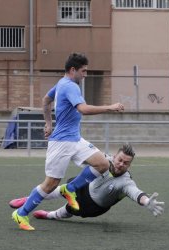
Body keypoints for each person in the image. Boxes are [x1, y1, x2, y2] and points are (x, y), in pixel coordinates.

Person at [12, 53, 125, 230]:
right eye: (84, 71)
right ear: (73, 70)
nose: (85, 75)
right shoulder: (70, 86)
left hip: (75, 140)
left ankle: (69, 188)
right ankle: (21, 214)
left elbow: (46, 100)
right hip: (62, 143)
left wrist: (48, 123)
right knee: (50, 185)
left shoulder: (61, 83)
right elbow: (83, 109)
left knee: (103, 164)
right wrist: (110, 107)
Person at [10, 144, 165, 221]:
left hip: (94, 206)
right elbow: (84, 153)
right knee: (66, 187)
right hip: (84, 189)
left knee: (69, 210)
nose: (121, 164)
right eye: (120, 160)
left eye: (126, 163)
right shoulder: (105, 160)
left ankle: (49, 215)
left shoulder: (126, 182)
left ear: (129, 165)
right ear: (115, 156)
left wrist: (146, 202)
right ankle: (28, 200)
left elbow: (136, 193)